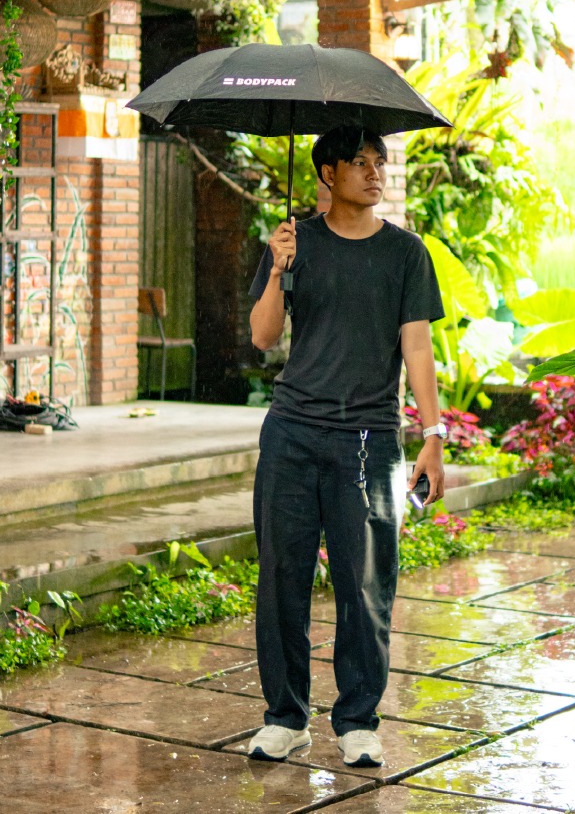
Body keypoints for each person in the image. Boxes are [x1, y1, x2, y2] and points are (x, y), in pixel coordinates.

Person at [245, 125, 448, 769]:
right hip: (292, 432)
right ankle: (285, 717)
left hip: (369, 440)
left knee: (366, 583)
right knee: (282, 576)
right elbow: (262, 337)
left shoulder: (405, 254)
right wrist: (278, 270)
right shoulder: (294, 243)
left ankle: (358, 718)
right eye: (358, 163)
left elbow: (417, 346)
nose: (374, 172)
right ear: (327, 174)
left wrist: (433, 434)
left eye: (378, 162)